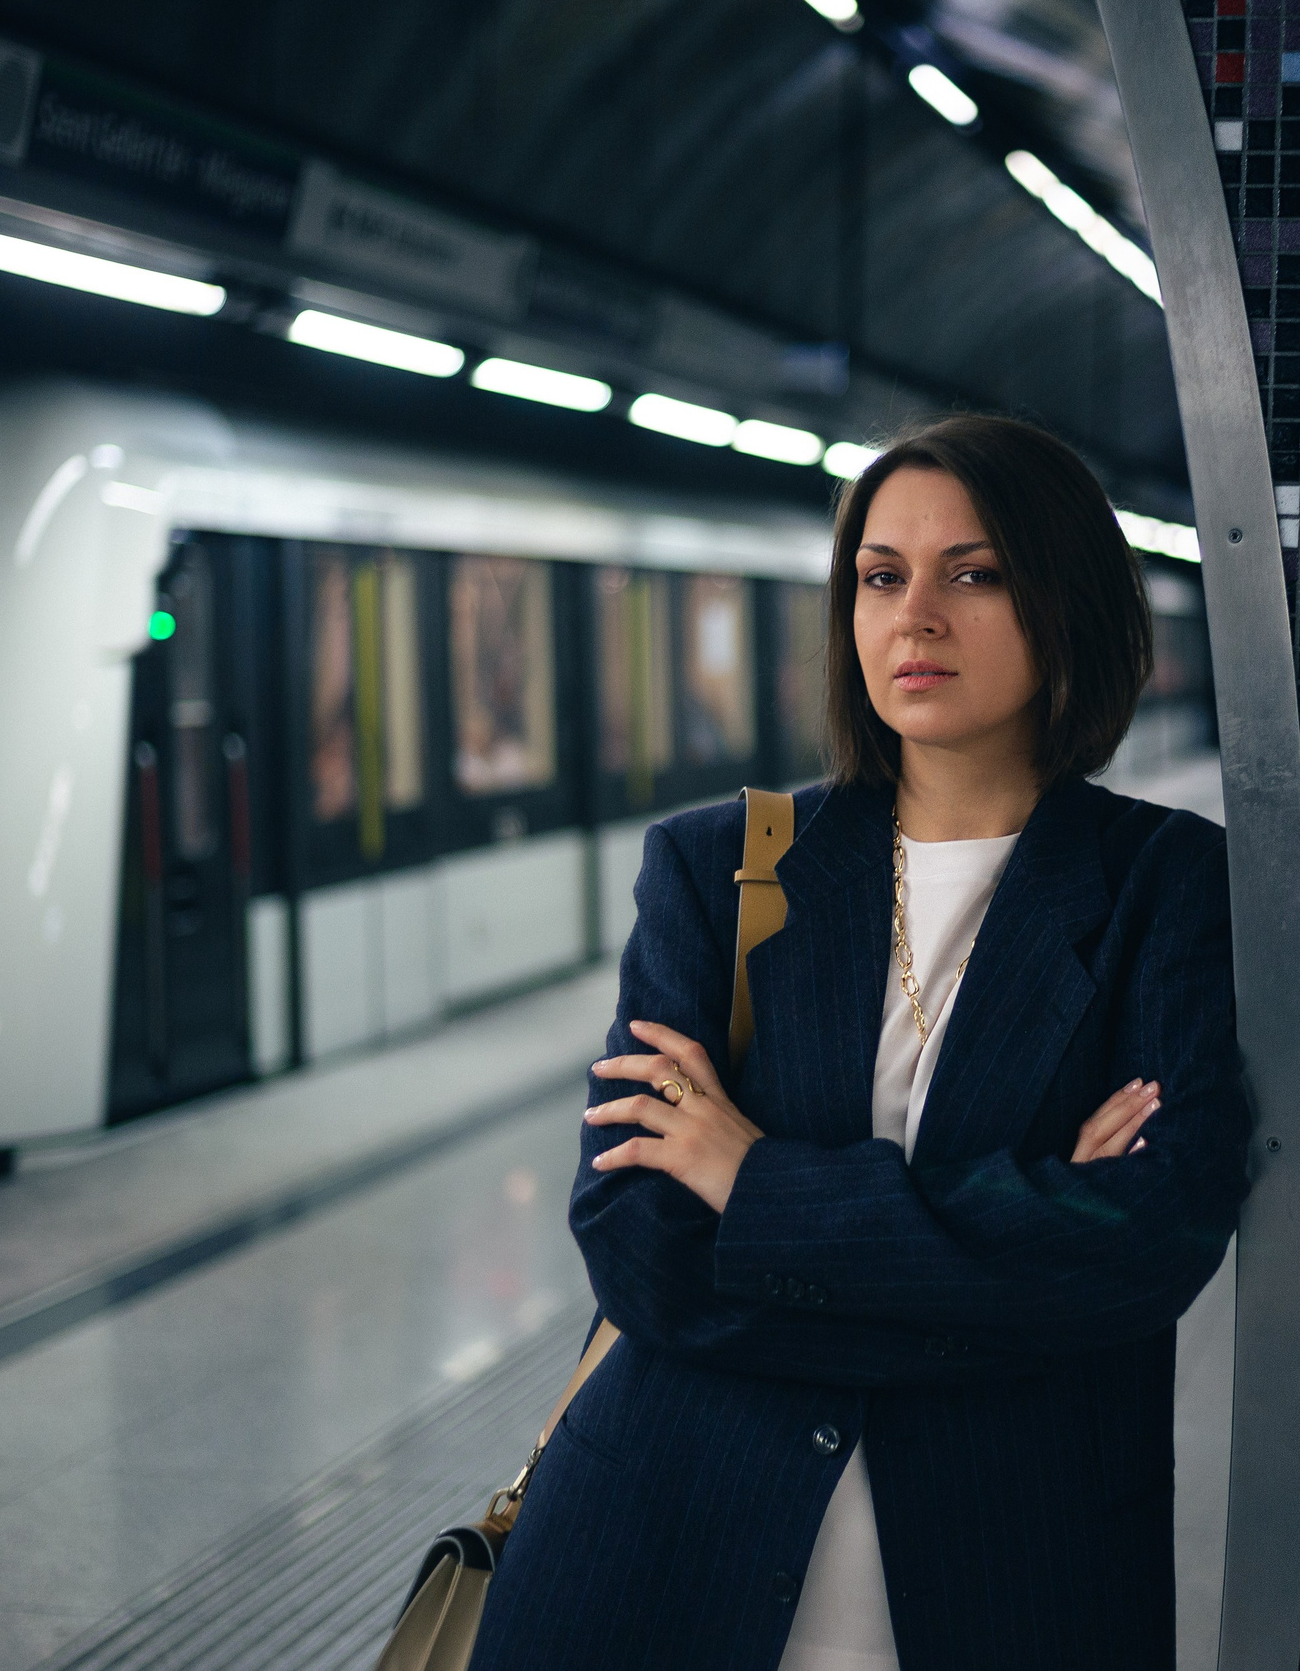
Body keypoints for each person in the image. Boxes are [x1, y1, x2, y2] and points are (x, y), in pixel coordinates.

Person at [469, 414, 1250, 1671]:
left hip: (1010, 1579)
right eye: (881, 576)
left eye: (974, 573)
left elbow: (1147, 1245)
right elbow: (641, 1248)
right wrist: (1013, 1252)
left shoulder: (1166, 885)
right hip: (669, 1555)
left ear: (1069, 604)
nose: (914, 615)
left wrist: (752, 1183)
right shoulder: (719, 870)